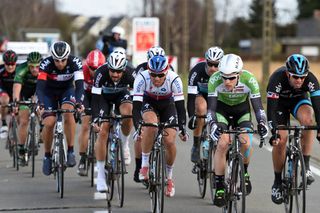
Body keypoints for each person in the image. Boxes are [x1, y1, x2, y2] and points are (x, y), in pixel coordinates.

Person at [207, 54, 268, 207]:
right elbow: (211, 109)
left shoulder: (249, 79)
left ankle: (244, 173)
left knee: (246, 142)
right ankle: (220, 186)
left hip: (242, 111)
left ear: (239, 74)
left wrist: (262, 123)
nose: (227, 82)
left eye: (231, 78)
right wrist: (213, 124)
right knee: (222, 143)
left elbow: (258, 107)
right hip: (222, 112)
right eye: (224, 78)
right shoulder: (214, 80)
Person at [267, 54, 320, 204]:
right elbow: (271, 110)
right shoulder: (276, 79)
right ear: (287, 73)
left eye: (302, 77)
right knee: (281, 139)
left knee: (309, 121)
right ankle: (277, 182)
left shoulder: (311, 79)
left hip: (298, 101)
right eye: (295, 77)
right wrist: (274, 131)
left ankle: (307, 164)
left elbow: (318, 105)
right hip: (279, 106)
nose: (299, 80)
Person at [132, 55, 188, 197]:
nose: (156, 79)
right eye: (153, 75)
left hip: (168, 105)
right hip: (148, 103)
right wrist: (138, 125)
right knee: (150, 125)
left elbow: (181, 107)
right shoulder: (141, 78)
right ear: (148, 72)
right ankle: (145, 165)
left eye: (160, 75)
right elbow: (136, 106)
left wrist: (182, 127)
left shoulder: (174, 79)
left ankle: (169, 178)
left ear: (166, 72)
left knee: (169, 141)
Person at [36, 41, 84, 176]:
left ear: (68, 57)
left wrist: (79, 102)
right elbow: (40, 87)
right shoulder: (46, 64)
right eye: (57, 60)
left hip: (66, 91)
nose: (60, 63)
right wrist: (40, 103)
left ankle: (70, 150)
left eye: (63, 60)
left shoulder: (75, 62)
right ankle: (47, 155)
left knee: (68, 113)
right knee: (49, 123)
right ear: (52, 58)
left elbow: (80, 85)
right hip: (48, 92)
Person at [91, 50, 134, 192]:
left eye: (118, 72)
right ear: (108, 67)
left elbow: (137, 98)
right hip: (104, 99)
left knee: (128, 113)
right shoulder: (100, 73)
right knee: (103, 131)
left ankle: (125, 143)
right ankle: (102, 176)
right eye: (112, 71)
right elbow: (95, 99)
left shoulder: (131, 74)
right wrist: (96, 118)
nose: (115, 75)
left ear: (124, 69)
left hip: (122, 96)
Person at [132, 45, 172, 183]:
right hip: (145, 99)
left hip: (164, 101)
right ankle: (139, 167)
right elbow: (134, 92)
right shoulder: (140, 70)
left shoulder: (169, 69)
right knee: (144, 130)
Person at [187, 46, 224, 164]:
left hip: (217, 96)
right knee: (201, 109)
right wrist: (192, 116)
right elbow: (191, 96)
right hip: (201, 95)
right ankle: (196, 145)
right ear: (206, 61)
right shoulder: (196, 71)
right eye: (210, 64)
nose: (213, 68)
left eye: (216, 65)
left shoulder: (225, 73)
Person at [77, 49, 106, 176]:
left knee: (104, 125)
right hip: (87, 96)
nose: (94, 71)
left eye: (97, 68)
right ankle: (83, 158)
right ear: (87, 65)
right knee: (85, 125)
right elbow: (77, 89)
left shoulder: (106, 72)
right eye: (91, 68)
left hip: (100, 96)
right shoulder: (82, 70)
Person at [12, 51, 42, 166]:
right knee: (24, 121)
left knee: (42, 110)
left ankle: (42, 128)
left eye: (37, 66)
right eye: (32, 66)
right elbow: (16, 87)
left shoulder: (45, 69)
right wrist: (15, 102)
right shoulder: (21, 68)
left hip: (39, 91)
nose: (35, 69)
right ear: (28, 65)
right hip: (24, 93)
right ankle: (21, 148)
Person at [0, 50, 18, 139]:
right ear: (4, 63)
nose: (10, 66)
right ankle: (3, 123)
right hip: (4, 91)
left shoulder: (20, 70)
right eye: (7, 64)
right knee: (5, 99)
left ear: (16, 63)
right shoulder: (1, 70)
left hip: (17, 92)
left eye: (12, 64)